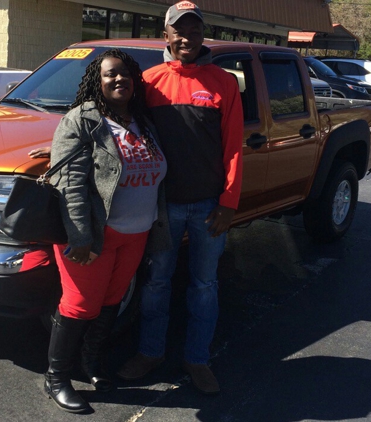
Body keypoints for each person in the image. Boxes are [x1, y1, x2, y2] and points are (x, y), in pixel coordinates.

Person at [117, 1, 244, 395]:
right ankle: (150, 353)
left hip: (209, 206)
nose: (186, 37)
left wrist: (228, 202)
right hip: (161, 206)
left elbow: (234, 148)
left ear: (203, 34)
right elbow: (120, 130)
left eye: (194, 29)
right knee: (156, 282)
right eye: (179, 30)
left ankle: (197, 359)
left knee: (204, 285)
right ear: (167, 35)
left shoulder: (223, 83)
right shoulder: (149, 82)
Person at [43, 48, 168, 413]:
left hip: (136, 234)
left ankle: (91, 362)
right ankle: (56, 378)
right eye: (110, 74)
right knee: (80, 306)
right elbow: (70, 185)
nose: (119, 79)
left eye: (126, 74)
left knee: (111, 302)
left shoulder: (143, 122)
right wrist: (80, 237)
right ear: (96, 81)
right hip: (95, 237)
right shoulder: (82, 120)